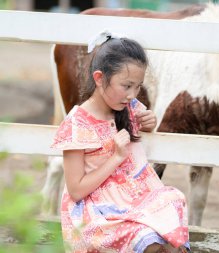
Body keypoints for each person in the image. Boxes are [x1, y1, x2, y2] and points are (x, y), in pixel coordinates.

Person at [51, 32, 190, 253]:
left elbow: (144, 123)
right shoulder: (77, 125)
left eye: (138, 86)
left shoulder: (128, 107)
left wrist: (149, 121)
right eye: (126, 86)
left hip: (132, 199)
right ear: (99, 78)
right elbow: (76, 190)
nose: (132, 94)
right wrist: (116, 157)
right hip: (98, 212)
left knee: (174, 201)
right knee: (148, 239)